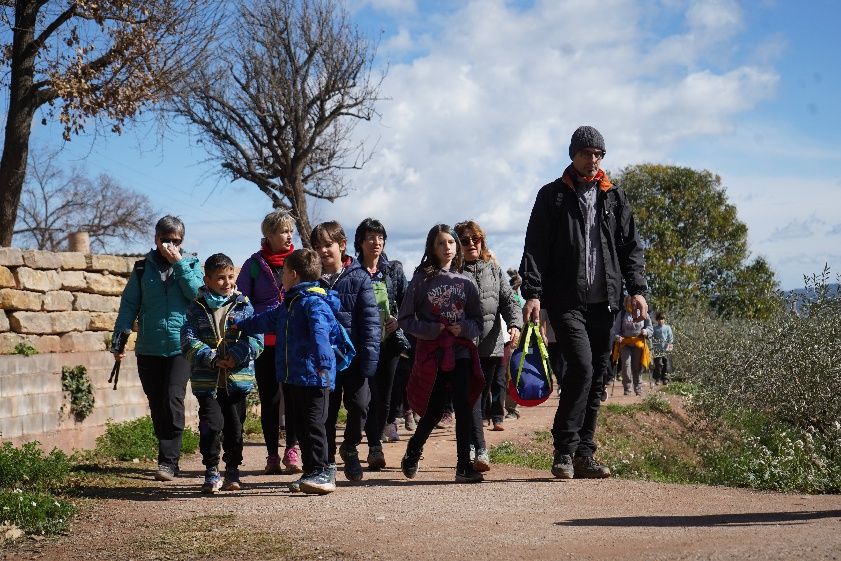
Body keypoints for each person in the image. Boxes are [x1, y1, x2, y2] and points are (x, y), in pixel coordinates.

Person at [519, 125, 648, 480]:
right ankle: (563, 450)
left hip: (604, 302)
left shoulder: (614, 197)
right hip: (566, 300)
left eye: (598, 154)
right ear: (573, 155)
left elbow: (630, 247)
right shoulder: (552, 196)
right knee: (582, 368)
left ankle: (583, 454)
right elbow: (535, 247)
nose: (593, 160)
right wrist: (533, 293)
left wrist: (636, 289)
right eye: (587, 153)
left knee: (598, 376)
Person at [235, 249, 343, 494]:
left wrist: (324, 366)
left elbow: (321, 336)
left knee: (314, 425)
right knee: (301, 425)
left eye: (283, 272)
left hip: (315, 377)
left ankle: (324, 471)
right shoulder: (289, 303)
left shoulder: (314, 303)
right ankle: (311, 471)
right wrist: (240, 325)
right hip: (293, 377)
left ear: (293, 274)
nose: (281, 276)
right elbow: (267, 319)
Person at [112, 215, 204, 482]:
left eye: (176, 241)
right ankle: (168, 457)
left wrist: (180, 264)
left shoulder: (192, 264)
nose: (170, 245)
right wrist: (119, 343)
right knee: (157, 402)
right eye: (166, 240)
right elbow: (128, 306)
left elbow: (198, 294)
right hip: (149, 347)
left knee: (173, 398)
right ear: (156, 238)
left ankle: (168, 460)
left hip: (181, 346)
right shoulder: (142, 269)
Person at [398, 224, 485, 483]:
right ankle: (413, 451)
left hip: (461, 352)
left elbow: (477, 321)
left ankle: (463, 465)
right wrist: (431, 329)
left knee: (463, 405)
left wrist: (464, 328)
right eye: (440, 243)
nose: (447, 247)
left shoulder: (466, 281)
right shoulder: (421, 279)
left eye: (450, 242)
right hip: (432, 355)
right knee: (434, 411)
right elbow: (405, 318)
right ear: (431, 248)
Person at [180, 253, 263, 493]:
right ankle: (211, 470)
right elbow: (188, 340)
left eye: (230, 277)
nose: (226, 283)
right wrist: (212, 358)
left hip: (236, 381)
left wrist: (235, 356)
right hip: (207, 381)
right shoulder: (196, 309)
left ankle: (233, 471)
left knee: (235, 428)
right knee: (211, 426)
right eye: (219, 278)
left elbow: (256, 339)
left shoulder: (243, 305)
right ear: (206, 280)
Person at [311, 221, 381, 482]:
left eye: (328, 245)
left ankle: (350, 447)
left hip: (354, 358)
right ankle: (328, 464)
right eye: (317, 246)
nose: (323, 251)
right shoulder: (311, 279)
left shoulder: (359, 276)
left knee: (360, 406)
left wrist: (370, 360)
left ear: (341, 245)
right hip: (323, 361)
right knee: (326, 413)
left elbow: (371, 322)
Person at [236, 210, 302, 475]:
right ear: (269, 235)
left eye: (290, 231)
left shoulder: (300, 260)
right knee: (271, 399)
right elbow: (241, 301)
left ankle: (293, 449)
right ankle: (272, 454)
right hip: (265, 342)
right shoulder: (253, 264)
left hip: (294, 341)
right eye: (284, 231)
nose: (289, 236)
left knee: (295, 396)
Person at [454, 220, 522, 473]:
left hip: (491, 346)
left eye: (476, 239)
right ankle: (478, 448)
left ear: (482, 241)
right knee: (470, 396)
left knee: (481, 395)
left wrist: (515, 324)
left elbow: (509, 301)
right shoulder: (452, 272)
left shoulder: (494, 270)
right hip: (462, 346)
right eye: (464, 240)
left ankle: (473, 443)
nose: (471, 244)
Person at [354, 218, 410, 470]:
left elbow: (407, 302)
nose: (376, 242)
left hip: (389, 344)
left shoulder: (393, 270)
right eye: (370, 238)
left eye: (380, 237)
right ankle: (352, 444)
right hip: (360, 344)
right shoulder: (353, 272)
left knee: (384, 398)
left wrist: (397, 321)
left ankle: (375, 446)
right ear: (360, 242)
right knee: (363, 398)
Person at [611, 295, 653, 396]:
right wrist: (617, 337)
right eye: (630, 301)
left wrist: (646, 331)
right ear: (626, 302)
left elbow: (650, 328)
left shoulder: (643, 313)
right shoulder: (622, 314)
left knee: (637, 366)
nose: (633, 304)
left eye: (635, 302)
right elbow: (615, 330)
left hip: (638, 343)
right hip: (625, 343)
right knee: (626, 365)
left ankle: (638, 389)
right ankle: (627, 389)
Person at [651, 311, 674, 385]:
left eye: (662, 319)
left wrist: (669, 344)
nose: (661, 321)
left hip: (666, 349)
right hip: (657, 349)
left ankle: (665, 378)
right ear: (657, 320)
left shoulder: (667, 327)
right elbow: (652, 337)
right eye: (659, 319)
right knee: (658, 364)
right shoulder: (654, 328)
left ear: (664, 319)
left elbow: (670, 337)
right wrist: (653, 343)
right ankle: (657, 378)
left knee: (666, 363)